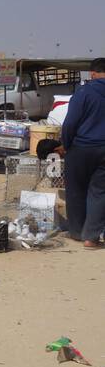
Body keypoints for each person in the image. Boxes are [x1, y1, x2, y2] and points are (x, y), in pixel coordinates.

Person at [60, 57, 105, 248]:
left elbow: (70, 123)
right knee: (99, 192)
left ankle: (77, 231)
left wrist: (67, 144)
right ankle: (91, 236)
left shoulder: (83, 92)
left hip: (81, 147)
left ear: (93, 73)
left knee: (76, 190)